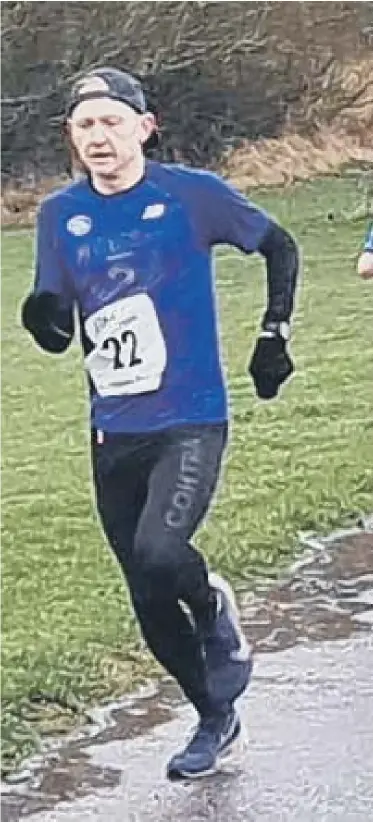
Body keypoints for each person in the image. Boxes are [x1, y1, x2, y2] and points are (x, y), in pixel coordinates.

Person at [21, 68, 299, 780]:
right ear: (71, 139)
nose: (98, 137)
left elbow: (280, 246)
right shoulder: (59, 215)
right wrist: (45, 319)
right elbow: (57, 321)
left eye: (112, 122)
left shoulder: (191, 195)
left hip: (190, 417)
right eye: (84, 127)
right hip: (112, 427)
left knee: (159, 550)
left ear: (145, 126)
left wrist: (274, 334)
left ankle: (212, 608)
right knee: (144, 591)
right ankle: (213, 717)